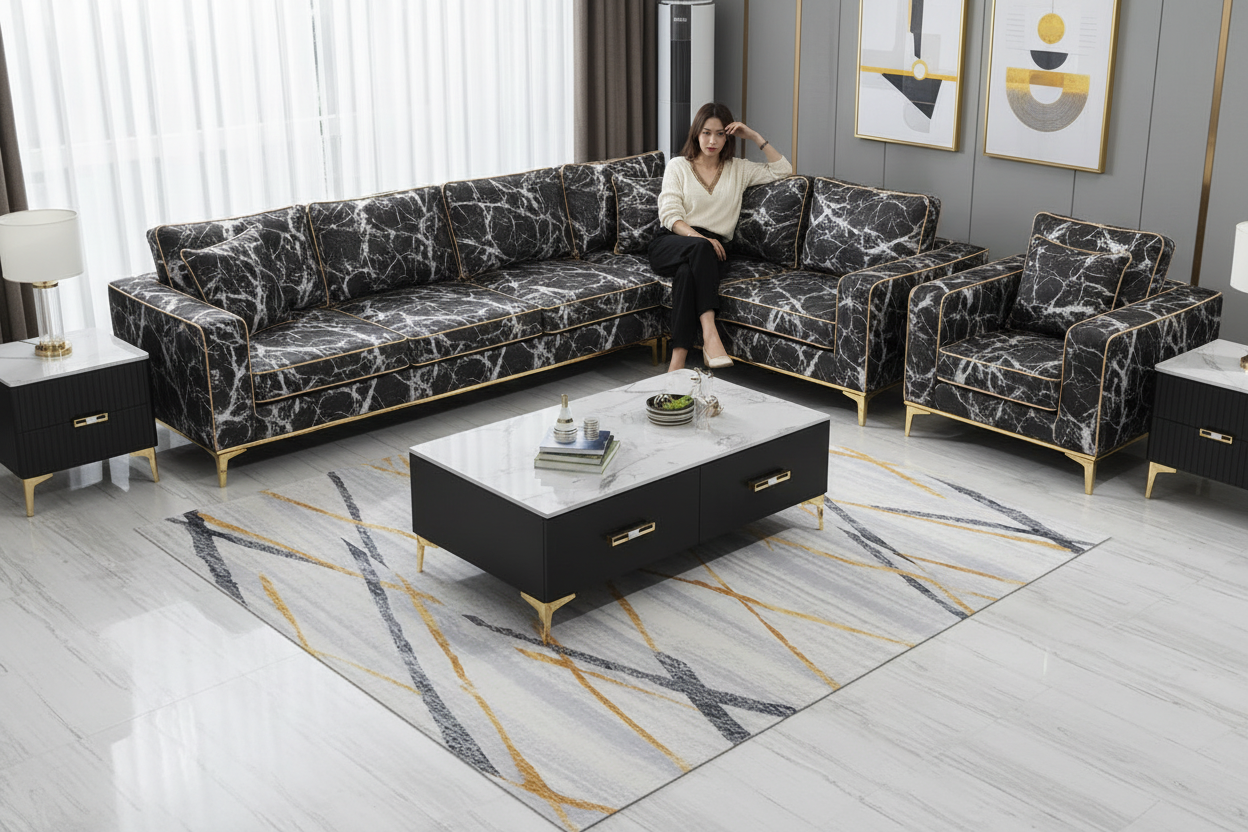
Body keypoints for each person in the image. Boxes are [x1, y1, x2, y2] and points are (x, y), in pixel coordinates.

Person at [650, 102, 792, 372]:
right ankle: (709, 333)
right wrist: (698, 239)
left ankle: (677, 360)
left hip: (714, 251)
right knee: (697, 251)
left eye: (719, 134)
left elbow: (783, 169)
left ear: (728, 137)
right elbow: (669, 214)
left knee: (685, 275)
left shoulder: (738, 169)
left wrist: (754, 137)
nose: (712, 140)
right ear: (696, 134)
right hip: (673, 240)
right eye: (706, 133)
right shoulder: (678, 166)